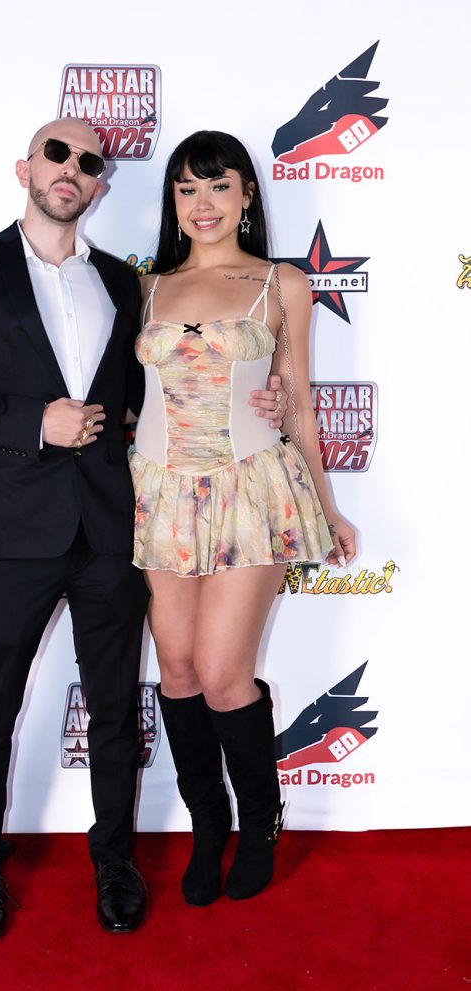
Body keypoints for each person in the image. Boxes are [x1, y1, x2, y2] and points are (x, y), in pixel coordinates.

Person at [0, 118, 288, 939]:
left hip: (115, 524)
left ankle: (115, 859)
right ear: (25, 168)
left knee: (116, 705)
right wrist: (31, 422)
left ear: (99, 184)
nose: (71, 168)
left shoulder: (123, 282)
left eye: (88, 161)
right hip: (11, 528)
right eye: (57, 153)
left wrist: (270, 394)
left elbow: (159, 395)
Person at [131, 130, 356, 907]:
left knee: (224, 674)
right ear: (173, 200)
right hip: (160, 495)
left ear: (247, 195)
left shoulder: (280, 282)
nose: (204, 203)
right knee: (178, 671)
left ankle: (260, 821)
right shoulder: (146, 287)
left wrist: (327, 504)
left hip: (252, 490)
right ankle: (208, 825)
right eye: (188, 188)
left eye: (219, 185)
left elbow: (301, 403)